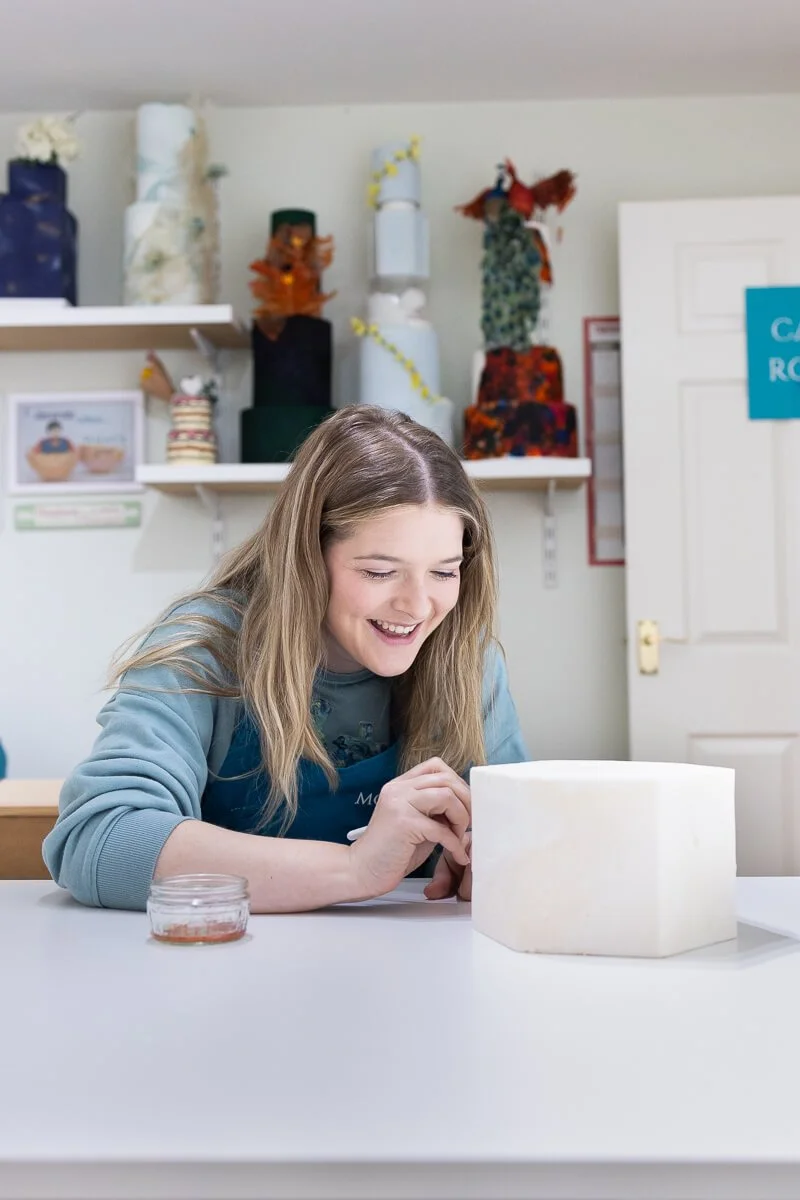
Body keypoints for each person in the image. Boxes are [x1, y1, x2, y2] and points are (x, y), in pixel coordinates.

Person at [43, 406, 528, 912]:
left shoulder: (465, 659)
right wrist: (355, 869)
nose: (417, 606)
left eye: (444, 573)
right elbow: (100, 839)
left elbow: (525, 829)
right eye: (380, 573)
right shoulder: (204, 648)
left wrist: (495, 854)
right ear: (306, 559)